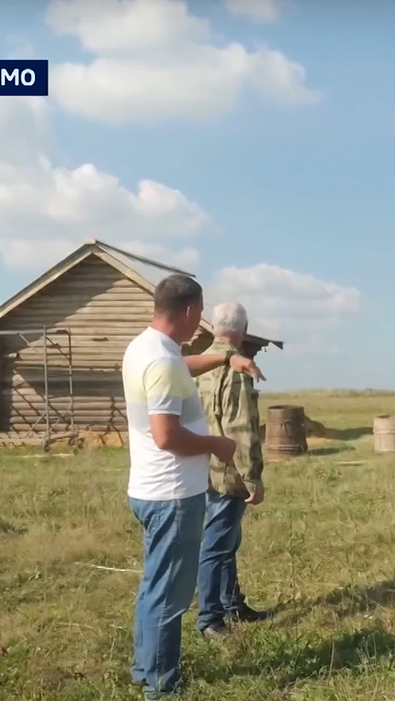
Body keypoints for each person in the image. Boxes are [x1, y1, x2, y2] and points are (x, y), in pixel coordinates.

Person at [122, 274, 262, 700]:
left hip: (149, 488)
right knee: (170, 594)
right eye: (199, 313)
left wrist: (226, 359)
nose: (201, 322)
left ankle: (145, 669)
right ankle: (161, 685)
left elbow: (183, 367)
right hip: (173, 495)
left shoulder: (146, 348)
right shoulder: (162, 361)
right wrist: (217, 444)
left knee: (155, 584)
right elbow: (166, 435)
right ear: (187, 311)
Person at [195, 301, 269, 640]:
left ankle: (231, 604)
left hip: (203, 466)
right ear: (243, 330)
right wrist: (252, 476)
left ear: (213, 327)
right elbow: (241, 427)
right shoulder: (239, 367)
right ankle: (210, 617)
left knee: (225, 539)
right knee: (217, 543)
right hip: (228, 470)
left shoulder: (200, 364)